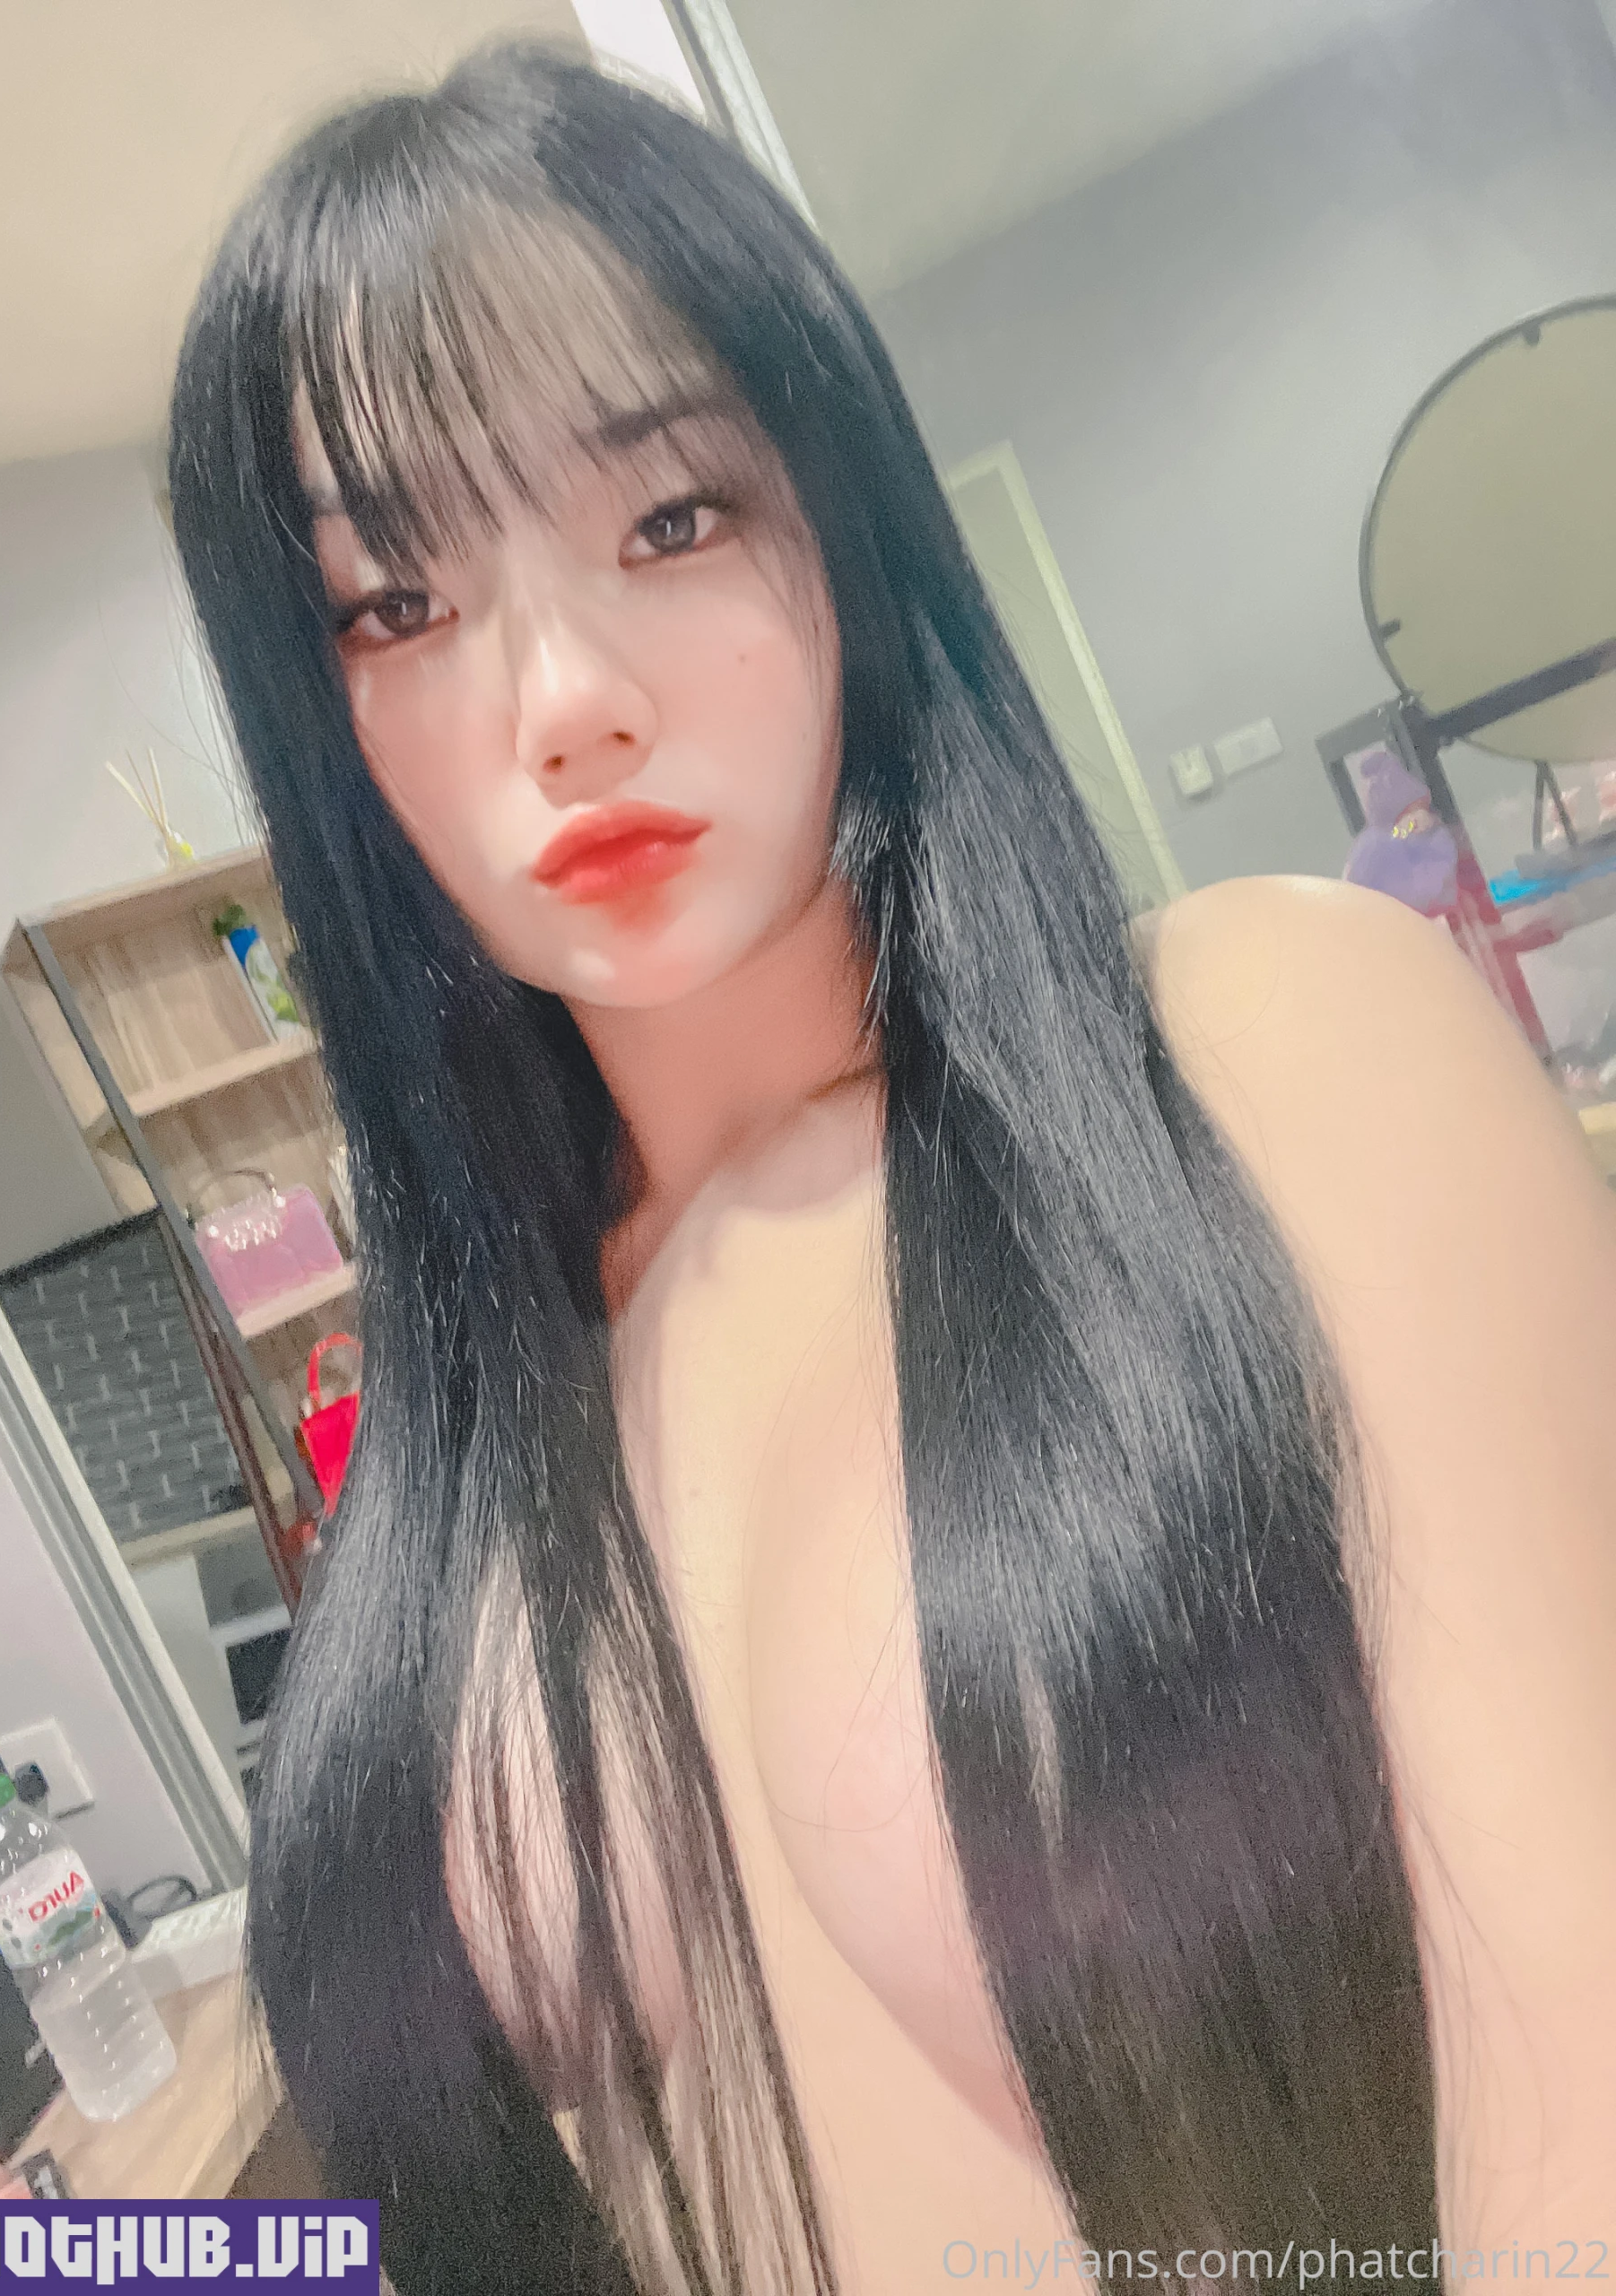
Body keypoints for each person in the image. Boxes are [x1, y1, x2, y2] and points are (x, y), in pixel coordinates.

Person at [167, 46, 1616, 2296]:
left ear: (842, 526)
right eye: (397, 603)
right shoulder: (474, 1432)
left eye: (671, 518)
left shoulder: (1265, 1051)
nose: (563, 697)